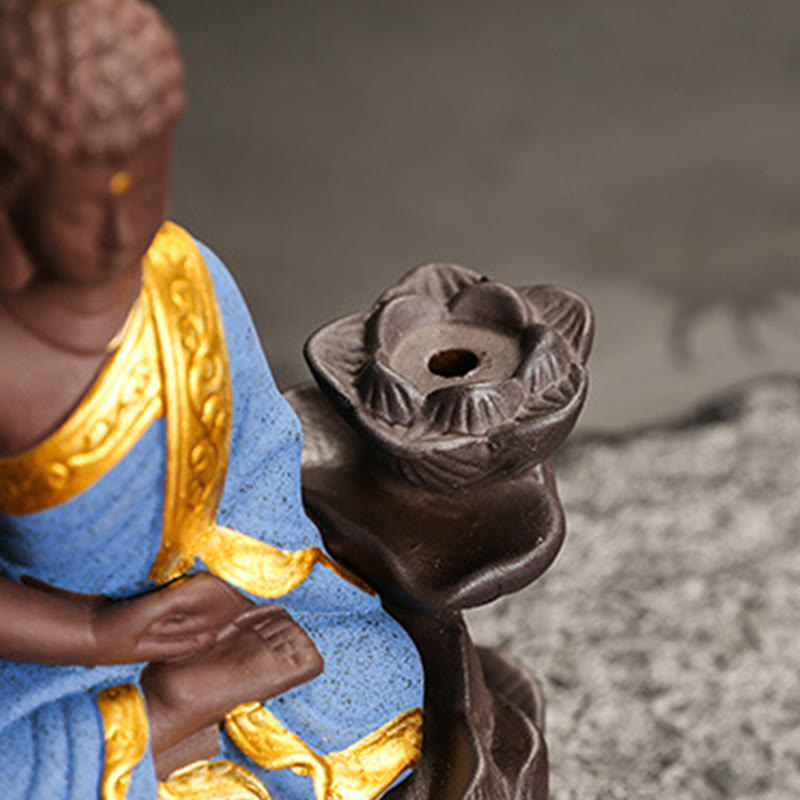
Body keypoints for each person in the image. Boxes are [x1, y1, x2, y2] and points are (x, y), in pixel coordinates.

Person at [0, 1, 424, 798]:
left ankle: (178, 722)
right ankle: (162, 721)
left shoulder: (182, 275)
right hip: (36, 655)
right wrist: (95, 633)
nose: (120, 230)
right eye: (81, 206)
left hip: (207, 597)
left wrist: (233, 583)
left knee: (381, 674)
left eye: (146, 186)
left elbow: (255, 454)